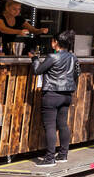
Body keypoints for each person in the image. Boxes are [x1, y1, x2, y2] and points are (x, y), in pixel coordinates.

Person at [32, 30, 79, 166]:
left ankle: (49, 158)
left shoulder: (52, 57)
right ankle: (63, 154)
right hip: (66, 95)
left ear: (56, 42)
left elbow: (37, 71)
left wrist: (35, 59)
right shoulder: (73, 57)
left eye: (52, 40)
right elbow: (77, 74)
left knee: (50, 126)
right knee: (63, 124)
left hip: (52, 94)